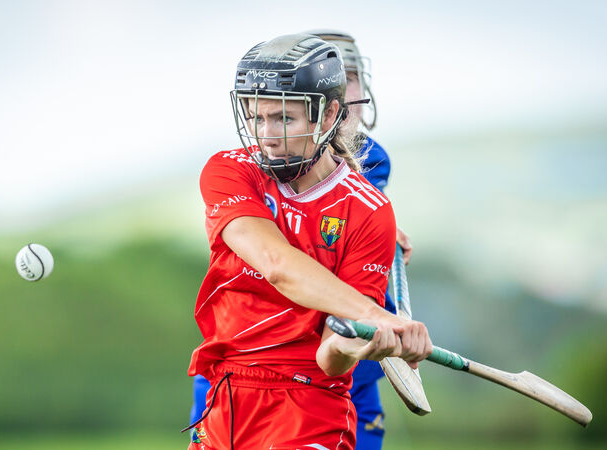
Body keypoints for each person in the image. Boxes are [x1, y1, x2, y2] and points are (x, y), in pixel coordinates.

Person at [185, 34, 431, 449]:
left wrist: (358, 339)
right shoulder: (229, 171)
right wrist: (374, 314)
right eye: (255, 117)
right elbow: (275, 263)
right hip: (225, 398)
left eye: (284, 118)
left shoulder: (370, 211)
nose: (266, 135)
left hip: (308, 409)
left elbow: (329, 358)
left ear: (329, 112)